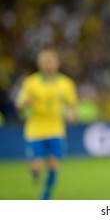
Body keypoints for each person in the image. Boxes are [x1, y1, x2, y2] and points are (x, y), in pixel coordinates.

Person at [15, 48, 78, 200]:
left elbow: (72, 104)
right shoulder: (31, 82)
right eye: (45, 62)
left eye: (51, 61)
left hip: (56, 129)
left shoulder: (66, 83)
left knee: (54, 164)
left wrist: (71, 113)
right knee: (36, 166)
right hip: (35, 130)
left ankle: (46, 197)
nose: (48, 65)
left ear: (57, 64)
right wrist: (25, 103)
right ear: (39, 64)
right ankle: (35, 173)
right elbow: (19, 105)